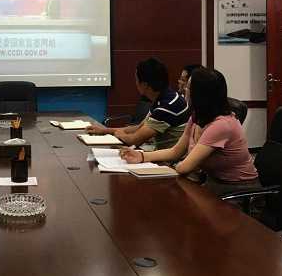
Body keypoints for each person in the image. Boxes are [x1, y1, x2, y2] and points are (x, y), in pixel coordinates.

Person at [120, 67, 260, 195]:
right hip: (213, 183)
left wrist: (160, 169)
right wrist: (141, 156)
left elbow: (184, 168)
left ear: (200, 94)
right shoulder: (196, 117)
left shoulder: (221, 125)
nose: (183, 90)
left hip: (237, 190)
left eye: (188, 87)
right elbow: (175, 151)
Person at [87, 58, 189, 150]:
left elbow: (135, 140)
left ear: (144, 84)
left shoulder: (167, 106)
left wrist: (119, 134)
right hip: (161, 153)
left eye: (136, 79)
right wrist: (105, 131)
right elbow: (139, 128)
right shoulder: (164, 97)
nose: (135, 83)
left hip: (170, 161)